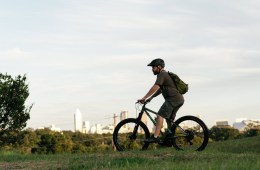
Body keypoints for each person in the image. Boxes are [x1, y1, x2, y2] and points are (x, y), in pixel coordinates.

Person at [138, 58, 184, 143]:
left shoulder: (162, 74)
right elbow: (160, 89)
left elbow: (155, 86)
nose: (152, 69)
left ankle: (155, 137)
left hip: (173, 99)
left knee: (160, 115)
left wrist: (144, 97)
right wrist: (150, 98)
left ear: (159, 67)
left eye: (153, 67)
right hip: (179, 99)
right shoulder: (164, 75)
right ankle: (170, 139)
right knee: (169, 119)